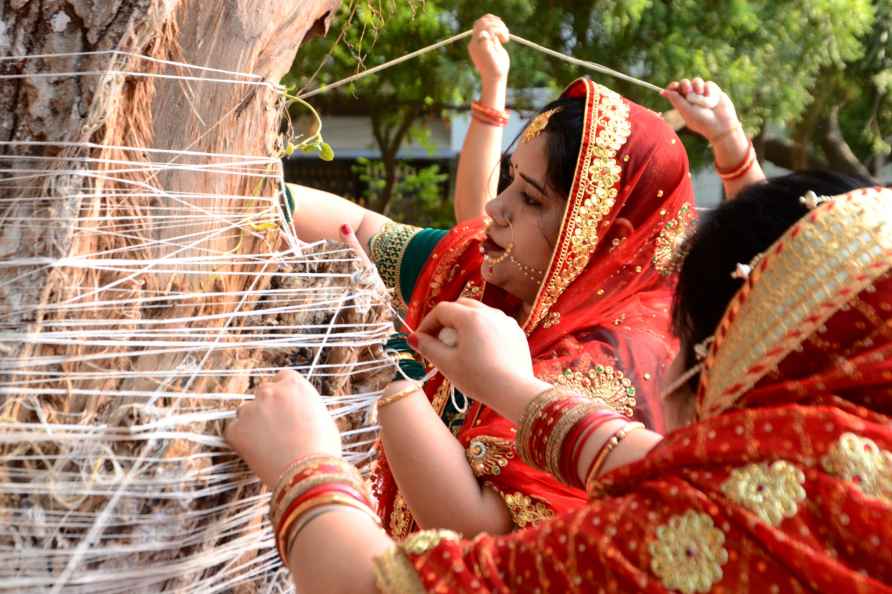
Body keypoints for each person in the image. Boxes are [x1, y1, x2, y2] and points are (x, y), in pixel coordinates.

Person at [226, 174, 891, 594]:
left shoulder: (711, 521)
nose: (495, 208)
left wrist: (306, 463)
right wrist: (512, 386)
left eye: (532, 196)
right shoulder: (837, 442)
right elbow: (666, 460)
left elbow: (410, 573)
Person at [287, 12, 728, 538]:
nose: (494, 207)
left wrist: (383, 366)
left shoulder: (616, 369)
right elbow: (356, 229)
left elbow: (477, 526)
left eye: (530, 197)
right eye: (512, 179)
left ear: (603, 232)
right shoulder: (492, 272)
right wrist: (250, 196)